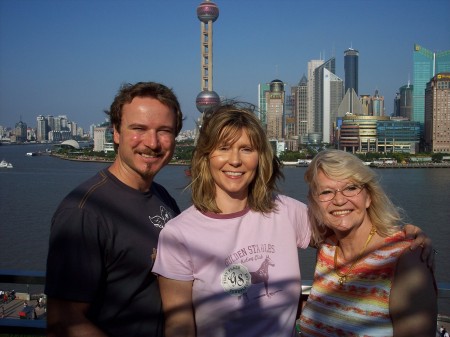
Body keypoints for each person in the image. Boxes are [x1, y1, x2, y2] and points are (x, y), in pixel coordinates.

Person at [152, 102, 432, 337]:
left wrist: (406, 239)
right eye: (223, 148)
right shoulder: (178, 234)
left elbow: (347, 224)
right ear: (205, 157)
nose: (235, 160)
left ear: (260, 158)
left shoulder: (285, 211)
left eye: (247, 149)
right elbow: (179, 324)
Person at [45, 81, 183, 337]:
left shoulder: (161, 196)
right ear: (116, 133)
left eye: (164, 130)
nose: (152, 143)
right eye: (138, 129)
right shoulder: (84, 212)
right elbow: (63, 321)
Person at [299, 149, 437, 336]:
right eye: (326, 192)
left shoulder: (406, 259)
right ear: (315, 203)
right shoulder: (327, 250)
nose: (339, 200)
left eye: (351, 188)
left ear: (369, 197)